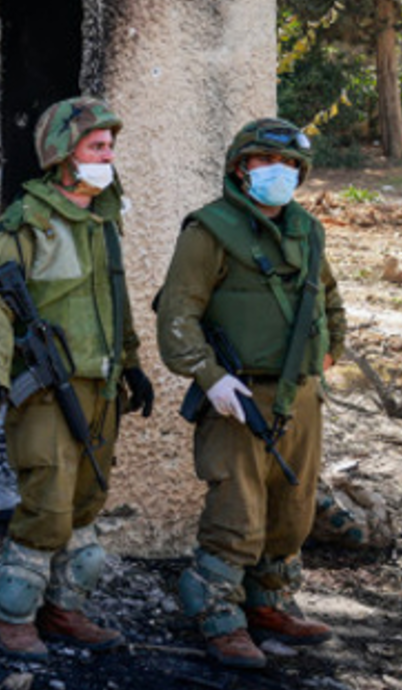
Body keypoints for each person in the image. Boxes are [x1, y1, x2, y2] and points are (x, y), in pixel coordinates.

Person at [0, 96, 156, 657]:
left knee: (87, 501)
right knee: (46, 504)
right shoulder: (27, 222)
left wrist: (134, 363)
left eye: (110, 147)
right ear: (63, 155)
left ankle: (66, 610)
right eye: (97, 146)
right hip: (45, 389)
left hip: (101, 386)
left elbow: (115, 301)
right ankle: (14, 616)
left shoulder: (103, 220)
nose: (108, 156)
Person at [156, 118, 345, 670]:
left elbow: (329, 299)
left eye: (290, 166)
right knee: (236, 512)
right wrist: (210, 377)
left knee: (292, 509)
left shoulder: (307, 231)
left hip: (300, 395)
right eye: (268, 163)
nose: (280, 174)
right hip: (237, 395)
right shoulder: (209, 231)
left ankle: (269, 605)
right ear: (242, 168)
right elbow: (177, 316)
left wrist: (326, 354)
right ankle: (219, 616)